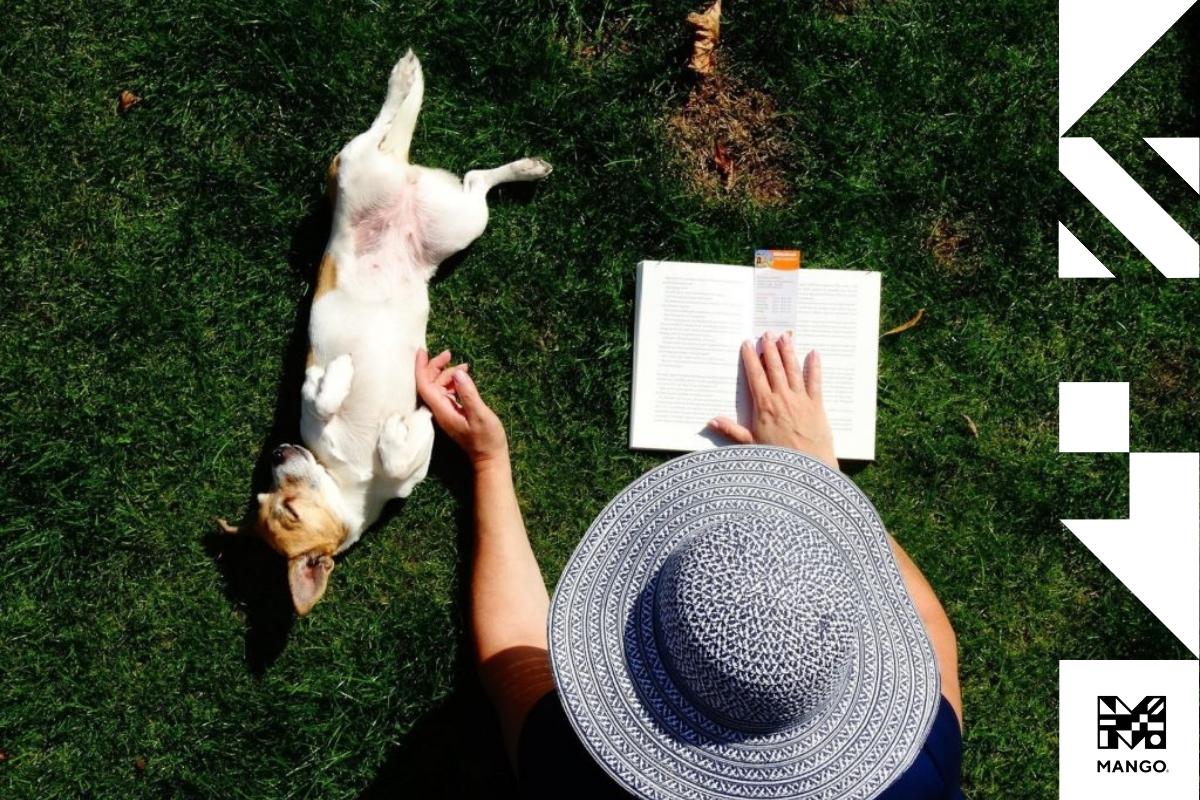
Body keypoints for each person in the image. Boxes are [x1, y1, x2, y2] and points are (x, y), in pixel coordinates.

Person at [416, 331, 962, 800]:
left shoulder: (578, 773)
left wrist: (488, 461)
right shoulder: (918, 769)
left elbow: (515, 659)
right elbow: (932, 634)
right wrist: (819, 478)